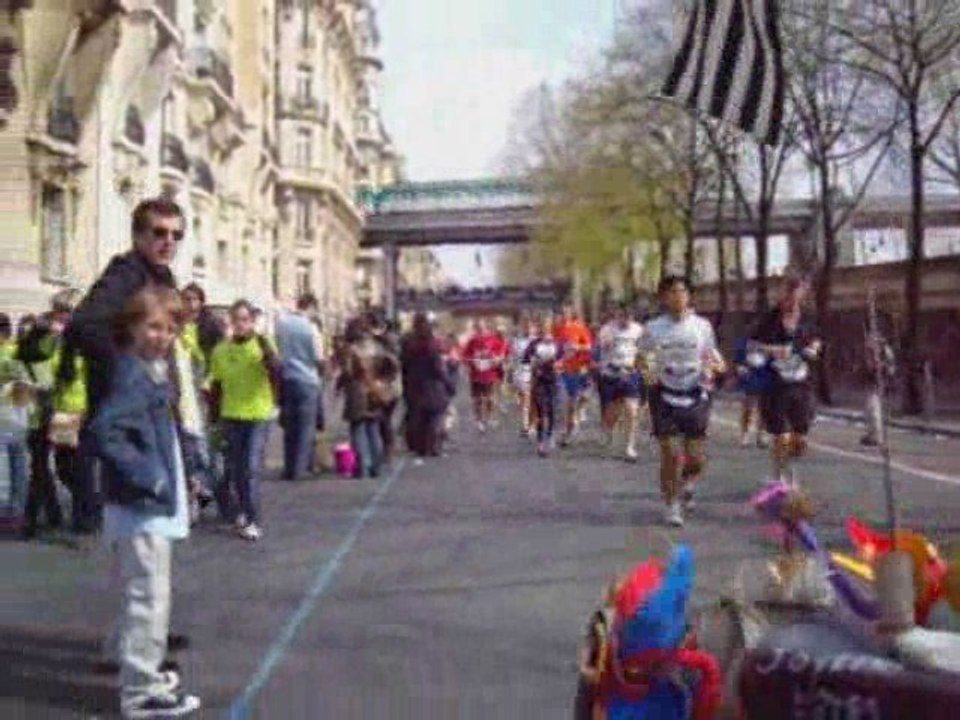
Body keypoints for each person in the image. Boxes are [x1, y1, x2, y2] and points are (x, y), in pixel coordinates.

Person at [89, 286, 200, 719]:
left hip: (146, 500)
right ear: (133, 326)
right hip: (142, 504)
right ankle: (140, 690)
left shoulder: (150, 369)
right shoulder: (133, 373)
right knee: (149, 595)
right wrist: (148, 476)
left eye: (170, 328)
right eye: (153, 326)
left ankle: (130, 660)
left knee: (135, 588)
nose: (162, 336)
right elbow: (105, 432)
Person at [640, 276, 725, 528]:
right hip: (664, 393)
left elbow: (712, 357)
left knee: (695, 459)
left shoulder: (702, 326)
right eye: (672, 292)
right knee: (670, 453)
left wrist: (713, 368)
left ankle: (688, 482)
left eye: (682, 292)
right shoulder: (653, 328)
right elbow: (642, 357)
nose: (678, 297)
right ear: (664, 298)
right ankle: (672, 505)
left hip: (695, 392)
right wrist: (647, 371)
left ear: (689, 296)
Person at [208, 300, 279, 541]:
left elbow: (277, 372)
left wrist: (266, 351)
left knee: (250, 467)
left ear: (252, 321)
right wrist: (214, 417)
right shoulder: (221, 350)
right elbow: (216, 384)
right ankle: (241, 511)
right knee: (236, 469)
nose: (240, 325)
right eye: (236, 320)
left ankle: (252, 519)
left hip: (258, 414)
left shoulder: (261, 345)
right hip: (231, 414)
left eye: (245, 320)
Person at [751, 276, 822, 486]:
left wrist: (814, 348)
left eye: (796, 295)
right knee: (781, 436)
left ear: (802, 295)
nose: (792, 300)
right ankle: (779, 476)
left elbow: (816, 338)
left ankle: (788, 465)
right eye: (788, 294)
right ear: (781, 295)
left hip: (802, 384)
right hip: (776, 384)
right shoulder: (769, 319)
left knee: (800, 440)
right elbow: (753, 346)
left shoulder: (808, 318)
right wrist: (774, 350)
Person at [275, 293, 323, 481]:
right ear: (311, 307)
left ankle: (288, 467)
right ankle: (300, 469)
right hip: (307, 379)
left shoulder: (282, 323)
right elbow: (318, 357)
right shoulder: (311, 328)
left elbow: (277, 348)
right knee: (306, 427)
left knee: (290, 426)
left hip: (287, 378)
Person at [339, 318, 393, 478]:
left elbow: (348, 372)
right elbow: (390, 366)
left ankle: (361, 467)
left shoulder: (351, 350)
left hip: (357, 392)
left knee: (358, 430)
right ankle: (376, 467)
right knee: (373, 429)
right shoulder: (377, 347)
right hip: (374, 390)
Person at [401, 313, 454, 464]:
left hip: (413, 384)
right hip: (433, 385)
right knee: (435, 416)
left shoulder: (408, 343)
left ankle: (419, 446)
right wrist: (449, 384)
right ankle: (433, 446)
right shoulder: (432, 345)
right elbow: (438, 368)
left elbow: (403, 365)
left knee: (418, 417)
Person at [597, 304, 646, 461]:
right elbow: (603, 347)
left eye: (629, 316)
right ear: (617, 315)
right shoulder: (607, 329)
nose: (625, 320)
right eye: (622, 316)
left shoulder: (638, 330)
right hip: (611, 375)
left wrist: (642, 366)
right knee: (612, 413)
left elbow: (644, 351)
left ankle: (629, 446)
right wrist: (608, 343)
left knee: (632, 410)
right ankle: (608, 435)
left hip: (631, 373)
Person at [0, 313, 30, 529]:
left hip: (5, 418)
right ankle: (16, 513)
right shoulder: (19, 353)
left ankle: (7, 513)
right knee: (18, 467)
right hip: (18, 418)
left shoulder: (7, 355)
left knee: (6, 470)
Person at [553, 304, 594, 446]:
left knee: (574, 401)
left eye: (566, 312)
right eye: (562, 312)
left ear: (572, 314)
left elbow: (589, 347)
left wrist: (578, 347)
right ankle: (567, 430)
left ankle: (571, 425)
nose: (564, 315)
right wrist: (556, 361)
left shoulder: (580, 328)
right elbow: (555, 349)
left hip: (577, 369)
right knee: (565, 401)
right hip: (563, 371)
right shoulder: (557, 329)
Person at [523, 316, 561, 457]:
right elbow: (525, 359)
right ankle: (541, 442)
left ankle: (550, 436)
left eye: (548, 327)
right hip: (539, 381)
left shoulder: (557, 343)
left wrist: (559, 364)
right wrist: (534, 363)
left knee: (551, 410)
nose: (545, 330)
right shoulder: (534, 344)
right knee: (541, 412)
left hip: (553, 381)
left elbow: (564, 358)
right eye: (543, 328)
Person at [368, 312, 402, 464]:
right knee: (384, 419)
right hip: (391, 385)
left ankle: (386, 449)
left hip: (385, 385)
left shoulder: (384, 341)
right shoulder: (391, 339)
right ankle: (387, 448)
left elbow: (391, 364)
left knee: (383, 419)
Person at [463, 319, 506, 433]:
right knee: (477, 399)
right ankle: (479, 420)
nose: (481, 329)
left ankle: (487, 417)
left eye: (482, 327)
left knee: (489, 398)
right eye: (478, 327)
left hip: (489, 374)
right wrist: (471, 361)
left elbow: (502, 351)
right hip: (475, 374)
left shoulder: (493, 339)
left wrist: (498, 359)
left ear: (487, 327)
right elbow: (465, 355)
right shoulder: (472, 340)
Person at [733, 335, 771, 448]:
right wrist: (740, 367)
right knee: (749, 406)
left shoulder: (773, 339)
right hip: (751, 375)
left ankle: (762, 433)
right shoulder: (745, 341)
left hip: (767, 374)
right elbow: (738, 359)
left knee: (765, 407)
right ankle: (745, 433)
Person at [861, 329, 896, 447]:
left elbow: (891, 369)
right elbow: (867, 368)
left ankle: (878, 437)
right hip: (871, 383)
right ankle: (871, 434)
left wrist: (881, 366)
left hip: (881, 383)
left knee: (875, 410)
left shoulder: (886, 351)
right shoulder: (869, 352)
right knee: (869, 410)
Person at [508, 317, 536, 437]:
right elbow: (512, 357)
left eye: (530, 327)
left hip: (532, 372)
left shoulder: (537, 341)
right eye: (525, 327)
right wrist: (510, 372)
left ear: (534, 328)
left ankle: (528, 426)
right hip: (518, 373)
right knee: (523, 400)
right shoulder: (516, 341)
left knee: (529, 399)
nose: (527, 329)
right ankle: (528, 424)